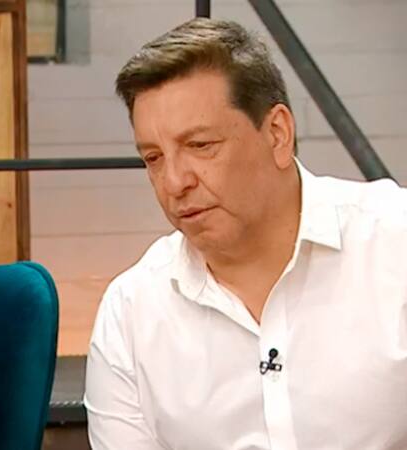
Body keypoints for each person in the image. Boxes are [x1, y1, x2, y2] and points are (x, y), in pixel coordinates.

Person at [85, 17, 407, 449]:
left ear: (277, 134)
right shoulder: (131, 312)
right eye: (154, 158)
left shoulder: (395, 243)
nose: (175, 182)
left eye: (200, 146)